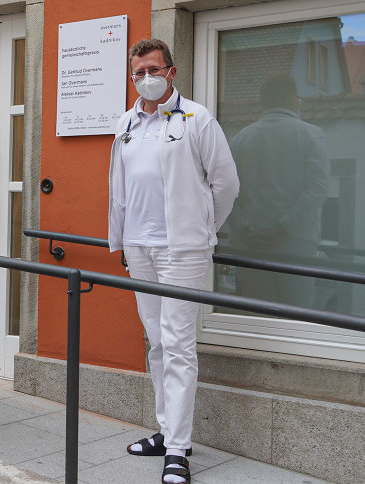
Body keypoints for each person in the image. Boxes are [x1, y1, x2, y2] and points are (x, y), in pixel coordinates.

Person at [108, 39, 239, 484]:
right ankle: (167, 432)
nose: (145, 77)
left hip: (181, 250)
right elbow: (122, 186)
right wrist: (124, 241)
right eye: (137, 72)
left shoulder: (196, 118)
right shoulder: (127, 122)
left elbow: (226, 184)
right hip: (139, 248)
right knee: (157, 343)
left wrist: (201, 230)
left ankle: (179, 450)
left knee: (179, 346)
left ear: (171, 71)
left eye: (152, 69)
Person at [226, 74, 330, 307]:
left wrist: (244, 229)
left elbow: (226, 192)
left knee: (258, 316)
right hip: (295, 246)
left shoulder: (241, 139)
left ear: (264, 102)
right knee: (297, 316)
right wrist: (283, 229)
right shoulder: (311, 135)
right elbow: (318, 188)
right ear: (294, 100)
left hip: (248, 246)